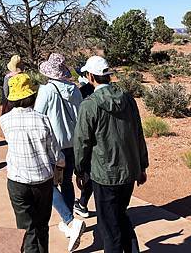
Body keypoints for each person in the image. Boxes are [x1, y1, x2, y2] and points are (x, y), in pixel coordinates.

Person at [74, 55, 149, 253]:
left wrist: (80, 170)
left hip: (104, 175)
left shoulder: (89, 105)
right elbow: (138, 133)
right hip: (128, 171)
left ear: (90, 76)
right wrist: (141, 166)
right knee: (121, 215)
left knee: (109, 226)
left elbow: (82, 142)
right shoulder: (128, 98)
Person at [0, 73, 63, 253]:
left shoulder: (4, 121)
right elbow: (56, 153)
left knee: (27, 229)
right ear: (31, 96)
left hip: (18, 181)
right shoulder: (43, 120)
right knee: (42, 226)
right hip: (43, 181)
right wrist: (59, 166)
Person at [34, 53, 85, 251]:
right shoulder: (75, 89)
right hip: (74, 142)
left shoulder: (47, 90)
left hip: (55, 145)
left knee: (48, 184)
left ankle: (70, 219)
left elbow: (38, 116)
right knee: (67, 181)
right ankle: (68, 218)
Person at [73, 69, 95, 219]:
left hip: (88, 139)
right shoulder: (118, 94)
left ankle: (83, 203)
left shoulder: (81, 93)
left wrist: (78, 168)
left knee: (87, 173)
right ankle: (82, 203)